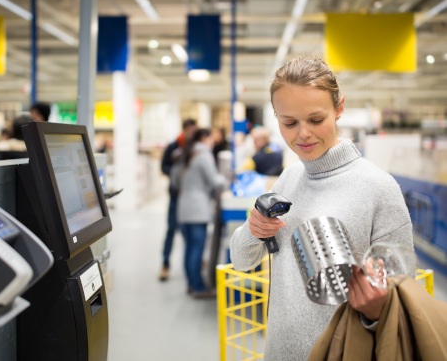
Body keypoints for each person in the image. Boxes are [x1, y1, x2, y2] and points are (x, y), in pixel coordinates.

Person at [230, 57, 413, 360]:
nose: (302, 134)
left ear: (339, 108)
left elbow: (403, 303)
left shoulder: (378, 188)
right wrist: (253, 231)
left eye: (316, 120)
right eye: (289, 123)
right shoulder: (288, 179)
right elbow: (241, 260)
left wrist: (375, 307)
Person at [171, 128, 226, 298]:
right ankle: (199, 288)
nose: (212, 143)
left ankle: (191, 284)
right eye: (211, 139)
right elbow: (214, 180)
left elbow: (174, 181)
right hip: (197, 207)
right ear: (204, 138)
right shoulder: (204, 155)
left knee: (189, 248)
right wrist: (227, 177)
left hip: (183, 205)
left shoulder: (183, 154)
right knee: (197, 248)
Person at [159, 118, 197, 281]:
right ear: (185, 129)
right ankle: (165, 264)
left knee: (189, 232)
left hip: (191, 197)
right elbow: (163, 166)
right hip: (176, 196)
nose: (192, 133)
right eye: (190, 130)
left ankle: (195, 261)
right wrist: (176, 173)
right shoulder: (173, 146)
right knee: (171, 230)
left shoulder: (196, 147)